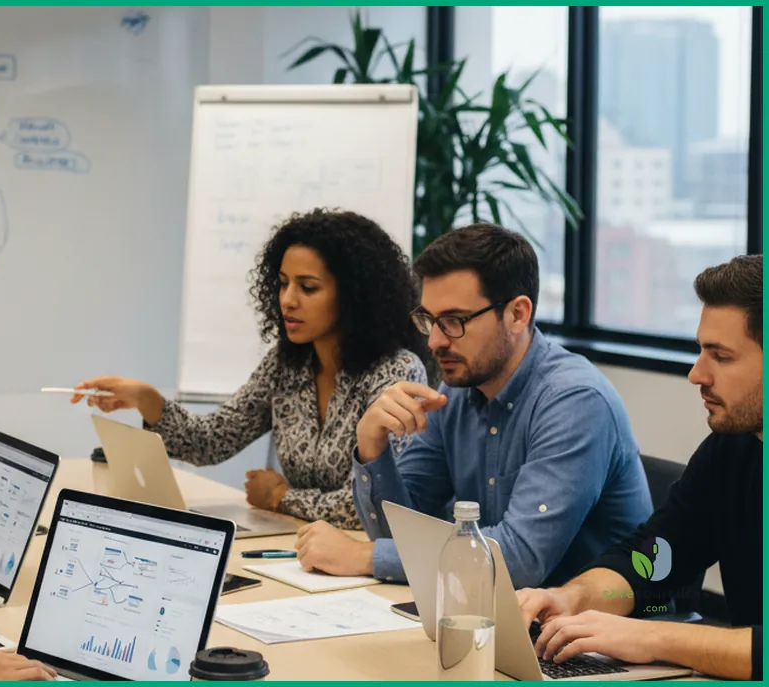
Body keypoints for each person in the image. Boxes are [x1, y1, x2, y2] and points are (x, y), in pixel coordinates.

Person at [295, 223, 653, 587]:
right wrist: (371, 448)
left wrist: (362, 557)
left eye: (453, 321)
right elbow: (400, 535)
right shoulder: (457, 392)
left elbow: (520, 560)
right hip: (499, 613)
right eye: (429, 320)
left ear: (517, 314)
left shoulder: (575, 402)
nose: (435, 341)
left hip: (604, 630)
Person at [71, 209, 429, 528]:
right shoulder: (286, 364)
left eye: (308, 287)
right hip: (300, 550)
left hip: (363, 565)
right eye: (283, 283)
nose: (288, 299)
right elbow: (212, 442)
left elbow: (380, 504)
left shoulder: (396, 373)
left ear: (354, 296)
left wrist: (280, 497)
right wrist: (147, 399)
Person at [516, 255, 762, 681]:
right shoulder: (732, 448)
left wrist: (651, 640)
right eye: (700, 350)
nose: (696, 374)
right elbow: (654, 558)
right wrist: (574, 597)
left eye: (720, 356)